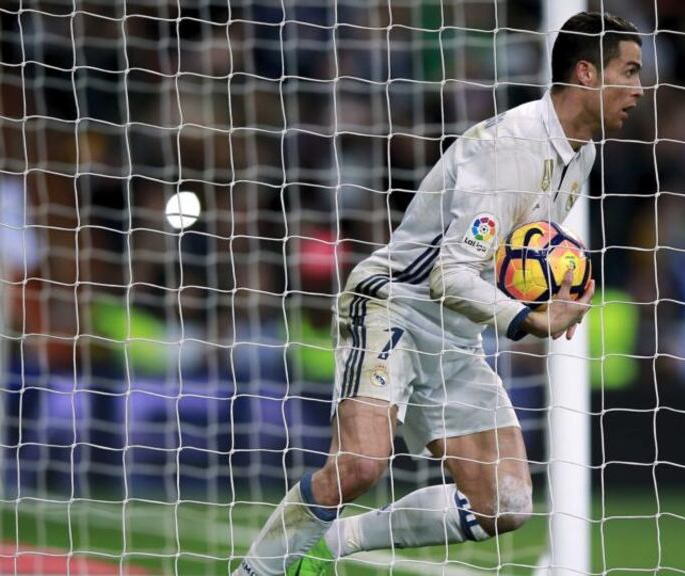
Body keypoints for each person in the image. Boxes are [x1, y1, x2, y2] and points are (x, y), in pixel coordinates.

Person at [235, 11, 644, 576]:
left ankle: (333, 544)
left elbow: (519, 248)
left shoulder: (583, 154)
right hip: (395, 302)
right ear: (586, 73)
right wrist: (527, 319)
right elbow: (446, 274)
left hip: (456, 332)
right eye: (629, 71)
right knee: (360, 465)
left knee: (506, 503)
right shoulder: (510, 147)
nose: (640, 89)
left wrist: (558, 286)